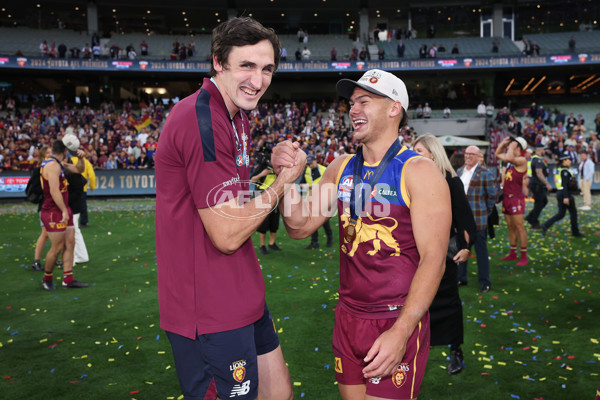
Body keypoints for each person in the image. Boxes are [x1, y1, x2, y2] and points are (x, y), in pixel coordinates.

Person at [272, 69, 451, 400]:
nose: (352, 110)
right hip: (348, 317)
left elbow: (434, 260)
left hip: (396, 319)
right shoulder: (340, 167)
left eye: (364, 102)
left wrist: (401, 332)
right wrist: (286, 178)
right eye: (351, 103)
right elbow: (298, 227)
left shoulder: (419, 172)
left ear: (394, 108)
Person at [154, 17, 299, 400]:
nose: (258, 79)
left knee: (278, 393)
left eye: (267, 68)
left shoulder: (236, 116)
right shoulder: (201, 118)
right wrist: (284, 182)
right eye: (246, 66)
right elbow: (227, 233)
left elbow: (224, 195)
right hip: (208, 308)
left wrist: (270, 168)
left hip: (241, 294)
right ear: (218, 62)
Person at [413, 134, 476, 376]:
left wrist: (465, 246)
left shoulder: (451, 181)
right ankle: (415, 348)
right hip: (413, 253)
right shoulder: (409, 180)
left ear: (432, 153)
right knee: (414, 300)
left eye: (419, 150)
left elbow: (465, 218)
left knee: (448, 302)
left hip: (441, 253)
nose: (414, 154)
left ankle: (455, 351)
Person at [40, 137, 88, 290]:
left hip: (62, 208)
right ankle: (47, 278)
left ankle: (68, 279)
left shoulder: (59, 164)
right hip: (53, 211)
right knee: (57, 247)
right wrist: (63, 211)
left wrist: (81, 158)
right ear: (65, 151)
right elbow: (54, 191)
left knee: (70, 243)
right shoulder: (53, 166)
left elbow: (79, 169)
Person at [457, 145, 496, 293]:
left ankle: (485, 282)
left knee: (481, 252)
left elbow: (492, 196)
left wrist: (485, 211)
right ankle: (461, 278)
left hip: (478, 219)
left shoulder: (485, 173)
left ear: (478, 156)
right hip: (461, 219)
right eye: (466, 153)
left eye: (471, 154)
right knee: (462, 249)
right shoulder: (460, 171)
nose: (468, 156)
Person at [496, 137, 529, 266]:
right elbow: (498, 154)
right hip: (507, 198)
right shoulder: (511, 161)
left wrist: (511, 147)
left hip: (516, 199)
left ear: (518, 148)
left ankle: (524, 256)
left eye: (514, 144)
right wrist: (502, 144)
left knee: (519, 227)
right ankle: (513, 252)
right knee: (510, 227)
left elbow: (508, 157)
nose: (510, 146)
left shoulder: (521, 160)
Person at [541, 152, 584, 237]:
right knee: (573, 213)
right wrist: (566, 197)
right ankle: (575, 232)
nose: (570, 161)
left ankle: (545, 225)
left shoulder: (559, 169)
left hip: (560, 193)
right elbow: (564, 184)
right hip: (565, 193)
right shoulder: (565, 171)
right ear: (564, 161)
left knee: (561, 214)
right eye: (568, 159)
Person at [302, 154, 332, 249]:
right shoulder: (306, 171)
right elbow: (301, 184)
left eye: (311, 163)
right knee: (312, 222)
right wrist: (304, 186)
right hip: (311, 200)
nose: (310, 166)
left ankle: (329, 238)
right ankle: (314, 242)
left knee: (324, 221)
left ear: (315, 160)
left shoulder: (324, 170)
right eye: (308, 164)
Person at [250, 165, 282, 255]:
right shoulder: (261, 167)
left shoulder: (277, 168)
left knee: (274, 221)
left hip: (275, 195)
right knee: (264, 222)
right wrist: (262, 174)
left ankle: (272, 243)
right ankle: (262, 245)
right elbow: (252, 180)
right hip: (262, 195)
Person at [526, 143, 553, 229]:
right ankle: (533, 221)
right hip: (537, 184)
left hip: (535, 183)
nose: (545, 151)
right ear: (540, 150)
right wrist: (547, 184)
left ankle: (530, 217)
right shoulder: (538, 160)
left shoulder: (534, 158)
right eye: (544, 149)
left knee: (543, 201)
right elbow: (539, 173)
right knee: (540, 203)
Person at [70, 152, 96, 228]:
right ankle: (83, 222)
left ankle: (70, 222)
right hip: (82, 188)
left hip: (70, 187)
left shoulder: (69, 161)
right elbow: (91, 176)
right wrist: (92, 186)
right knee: (83, 206)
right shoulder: (86, 162)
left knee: (70, 205)